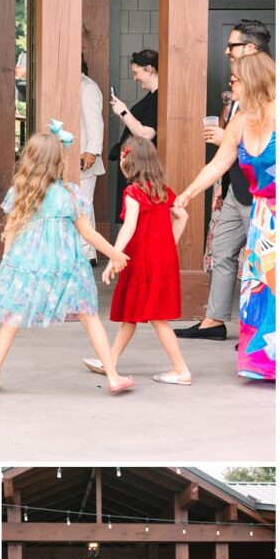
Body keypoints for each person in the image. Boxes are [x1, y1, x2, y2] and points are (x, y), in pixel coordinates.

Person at [0, 124, 133, 395]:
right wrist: (115, 253)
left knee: (12, 318)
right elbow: (88, 233)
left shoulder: (21, 192)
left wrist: (7, 261)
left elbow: (12, 229)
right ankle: (112, 376)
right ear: (58, 161)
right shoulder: (70, 194)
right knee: (89, 315)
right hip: (66, 265)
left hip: (28, 263)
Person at [175, 51, 275, 380]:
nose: (231, 88)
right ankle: (265, 364)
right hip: (263, 218)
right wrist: (187, 194)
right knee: (261, 290)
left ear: (252, 81)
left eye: (235, 81)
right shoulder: (241, 120)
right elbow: (218, 164)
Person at [82, 136, 191, 385]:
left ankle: (181, 370)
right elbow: (182, 216)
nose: (120, 161)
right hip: (161, 259)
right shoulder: (161, 190)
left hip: (143, 260)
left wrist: (113, 256)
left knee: (155, 316)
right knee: (132, 313)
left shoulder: (133, 192)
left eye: (122, 157)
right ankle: (111, 361)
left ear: (129, 161)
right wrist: (168, 245)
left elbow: (129, 226)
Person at [107, 49, 159, 223]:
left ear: (149, 69)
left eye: (136, 72)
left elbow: (146, 133)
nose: (135, 78)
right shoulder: (152, 97)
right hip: (136, 168)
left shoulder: (157, 99)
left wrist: (123, 111)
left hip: (142, 172)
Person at [79, 55, 106, 262]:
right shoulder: (72, 85)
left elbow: (95, 123)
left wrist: (92, 151)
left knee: (83, 205)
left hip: (85, 157)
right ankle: (88, 252)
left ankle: (87, 254)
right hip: (70, 157)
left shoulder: (88, 87)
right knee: (83, 204)